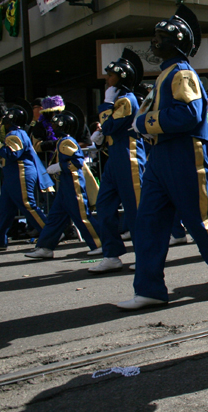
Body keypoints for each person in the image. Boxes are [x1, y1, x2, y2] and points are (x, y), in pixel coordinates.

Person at [118, 5, 208, 310]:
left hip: (184, 154)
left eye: (159, 37)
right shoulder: (167, 73)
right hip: (163, 156)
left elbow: (190, 114)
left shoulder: (181, 72)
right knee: (148, 222)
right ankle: (149, 288)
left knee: (199, 221)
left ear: (174, 41)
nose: (154, 42)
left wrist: (145, 123)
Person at [87, 51, 146, 273]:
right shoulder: (118, 100)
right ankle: (111, 254)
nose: (106, 79)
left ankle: (145, 255)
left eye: (110, 75)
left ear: (121, 78)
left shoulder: (127, 100)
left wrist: (106, 104)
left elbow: (110, 125)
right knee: (103, 206)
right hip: (115, 158)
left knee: (136, 211)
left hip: (129, 158)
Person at [24, 109, 102, 259]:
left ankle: (101, 243)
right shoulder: (62, 140)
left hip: (73, 184)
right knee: (55, 217)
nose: (52, 125)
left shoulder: (67, 141)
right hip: (65, 185)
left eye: (55, 123)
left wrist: (59, 167)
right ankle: (45, 246)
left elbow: (77, 162)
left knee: (81, 216)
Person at [0, 106, 54, 252]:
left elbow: (12, 155)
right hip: (13, 174)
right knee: (4, 209)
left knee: (28, 205)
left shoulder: (15, 134)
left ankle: (51, 233)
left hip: (20, 173)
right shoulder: (16, 133)